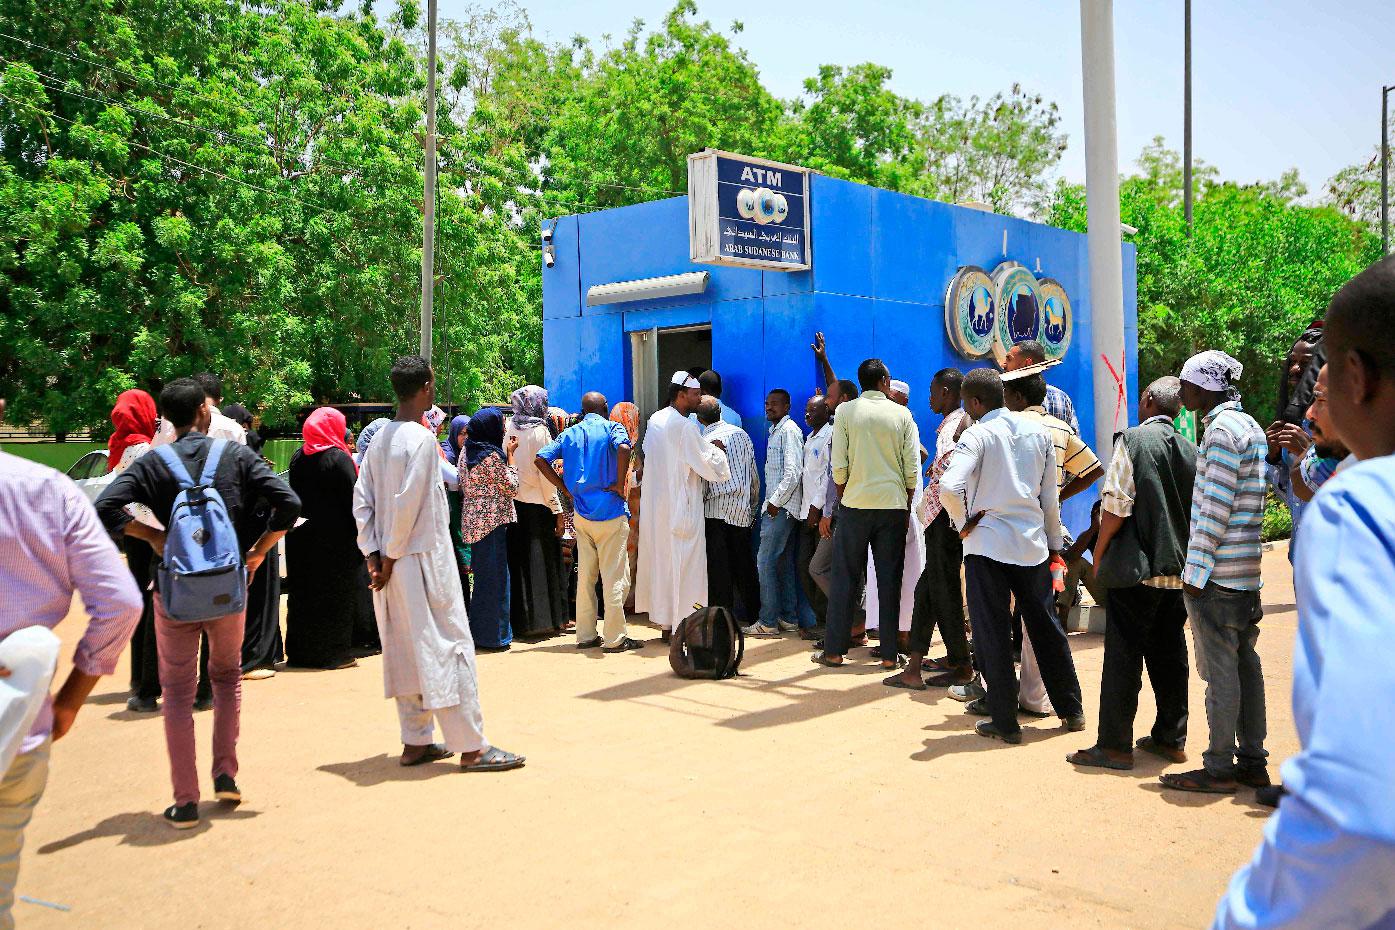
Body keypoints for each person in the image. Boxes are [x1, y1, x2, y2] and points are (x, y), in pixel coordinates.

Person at [1210, 256, 1395, 930]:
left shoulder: (1365, 503)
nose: (1308, 394)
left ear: (1355, 376)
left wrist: (1248, 917)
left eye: (1316, 377)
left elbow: (1365, 809)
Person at [96, 378, 300, 828]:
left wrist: (153, 536)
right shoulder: (236, 455)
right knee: (227, 678)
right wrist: (259, 551)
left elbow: (105, 506)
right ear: (204, 413)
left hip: (175, 590)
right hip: (228, 587)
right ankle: (225, 773)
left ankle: (185, 800)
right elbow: (288, 502)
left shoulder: (153, 464)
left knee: (177, 692)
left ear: (166, 418)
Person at [0, 396, 142, 922]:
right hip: (18, 721)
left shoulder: (124, 455)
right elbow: (121, 603)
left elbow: (114, 509)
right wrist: (68, 702)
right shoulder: (43, 489)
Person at [353, 356, 523, 773]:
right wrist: (389, 555)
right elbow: (410, 501)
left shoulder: (378, 441)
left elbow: (363, 502)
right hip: (422, 558)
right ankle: (473, 746)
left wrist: (374, 555)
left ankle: (416, 740)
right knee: (451, 647)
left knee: (406, 650)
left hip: (389, 567)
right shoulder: (423, 440)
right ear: (427, 386)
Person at [938, 368, 1085, 744]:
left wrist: (963, 523)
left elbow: (950, 487)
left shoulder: (976, 434)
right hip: (1032, 545)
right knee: (1046, 629)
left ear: (973, 402)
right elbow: (1049, 499)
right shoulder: (1037, 433)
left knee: (992, 633)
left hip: (987, 546)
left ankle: (1005, 721)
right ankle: (1071, 710)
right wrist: (1054, 546)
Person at [1067, 377, 1195, 771]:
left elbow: (1116, 504)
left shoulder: (1134, 440)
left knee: (1123, 657)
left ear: (1149, 401)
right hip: (1177, 571)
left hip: (1137, 571)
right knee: (1170, 654)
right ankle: (1170, 739)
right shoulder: (1192, 450)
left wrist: (1100, 554)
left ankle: (1115, 745)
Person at [1160, 350, 1270, 795]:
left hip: (1219, 576)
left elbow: (1214, 510)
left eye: (1186, 385)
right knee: (1246, 666)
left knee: (1221, 674)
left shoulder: (1221, 432)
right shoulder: (1251, 427)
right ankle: (1252, 761)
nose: (1182, 393)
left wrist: (1196, 569)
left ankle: (1219, 766)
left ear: (1203, 389)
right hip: (1247, 574)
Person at [1003, 365, 1104, 717]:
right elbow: (1094, 470)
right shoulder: (1061, 429)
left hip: (1005, 534)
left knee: (998, 614)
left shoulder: (1004, 428)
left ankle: (995, 693)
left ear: (1014, 396)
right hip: (1047, 533)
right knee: (1040, 619)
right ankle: (1037, 696)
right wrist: (1059, 495)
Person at [813, 359, 918, 668]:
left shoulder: (846, 411)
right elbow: (911, 467)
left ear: (861, 382)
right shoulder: (902, 414)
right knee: (889, 580)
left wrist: (846, 498)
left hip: (855, 505)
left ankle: (834, 650)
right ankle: (888, 655)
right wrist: (906, 500)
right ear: (885, 381)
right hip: (892, 506)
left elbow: (839, 465)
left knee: (845, 578)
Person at [887, 368, 973, 690]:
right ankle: (917, 664)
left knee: (942, 590)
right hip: (944, 519)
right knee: (928, 588)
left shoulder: (954, 425)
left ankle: (961, 664)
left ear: (948, 392)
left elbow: (951, 474)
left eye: (934, 391)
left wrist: (945, 513)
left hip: (945, 520)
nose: (930, 398)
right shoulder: (956, 422)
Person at [534, 392, 639, 653]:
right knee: (614, 576)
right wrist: (618, 482)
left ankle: (586, 635)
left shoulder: (569, 433)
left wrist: (564, 489)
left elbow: (540, 458)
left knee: (586, 578)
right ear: (604, 408)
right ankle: (615, 639)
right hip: (610, 512)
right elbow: (624, 448)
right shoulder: (613, 427)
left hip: (582, 513)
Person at [635, 371, 731, 641]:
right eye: (695, 394)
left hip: (659, 510)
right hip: (683, 508)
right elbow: (704, 463)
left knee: (664, 565)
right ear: (681, 395)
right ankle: (685, 626)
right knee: (687, 569)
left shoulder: (656, 419)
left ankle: (667, 624)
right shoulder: (685, 426)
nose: (699, 398)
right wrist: (718, 450)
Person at [285, 407, 374, 670]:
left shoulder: (298, 457)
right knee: (335, 593)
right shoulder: (339, 459)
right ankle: (335, 653)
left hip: (302, 537)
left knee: (304, 593)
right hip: (336, 539)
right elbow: (353, 500)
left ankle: (300, 652)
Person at [104, 390, 165, 713]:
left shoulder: (120, 444)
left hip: (131, 531)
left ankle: (138, 678)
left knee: (141, 605)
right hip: (150, 531)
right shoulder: (143, 449)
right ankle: (148, 681)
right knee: (153, 606)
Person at [861, 379, 926, 655]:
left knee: (907, 575)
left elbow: (918, 456)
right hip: (890, 511)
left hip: (904, 512)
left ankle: (903, 637)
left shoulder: (904, 422)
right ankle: (893, 635)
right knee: (884, 576)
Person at [504, 386, 568, 637]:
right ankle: (544, 621)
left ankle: (523, 622)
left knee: (521, 563)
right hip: (539, 506)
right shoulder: (540, 431)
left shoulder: (510, 426)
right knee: (543, 564)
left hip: (517, 504)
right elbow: (546, 477)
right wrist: (558, 511)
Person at [458, 407, 519, 651]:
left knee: (483, 581)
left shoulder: (467, 451)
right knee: (496, 581)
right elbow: (511, 486)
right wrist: (511, 456)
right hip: (492, 523)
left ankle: (481, 632)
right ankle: (496, 636)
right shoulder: (490, 456)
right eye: (501, 425)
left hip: (474, 522)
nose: (503, 430)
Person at [696, 396, 761, 622]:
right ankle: (755, 616)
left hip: (714, 512)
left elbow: (703, 482)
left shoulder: (704, 441)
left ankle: (723, 622)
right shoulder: (741, 435)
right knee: (745, 568)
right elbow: (753, 475)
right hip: (741, 510)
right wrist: (752, 507)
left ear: (699, 418)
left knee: (719, 571)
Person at [748, 389, 806, 636]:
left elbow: (793, 473)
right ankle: (789, 618)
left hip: (781, 509)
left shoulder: (788, 431)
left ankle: (768, 621)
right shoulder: (777, 431)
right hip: (782, 508)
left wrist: (774, 502)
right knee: (781, 563)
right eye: (767, 403)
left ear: (787, 406)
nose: (769, 407)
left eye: (775, 404)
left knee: (765, 561)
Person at [1264, 323, 1324, 534]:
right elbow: (1293, 497)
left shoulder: (1343, 425)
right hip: (1301, 553)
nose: (1294, 369)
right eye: (1292, 361)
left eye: (1305, 363)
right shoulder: (1294, 422)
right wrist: (1273, 458)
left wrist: (1307, 454)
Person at [796, 394, 831, 631]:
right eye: (807, 410)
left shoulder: (830, 436)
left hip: (818, 514)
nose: (808, 414)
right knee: (803, 567)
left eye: (813, 410)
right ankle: (821, 617)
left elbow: (829, 477)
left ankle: (826, 621)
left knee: (819, 569)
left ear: (826, 412)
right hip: (804, 514)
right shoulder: (809, 439)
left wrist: (817, 508)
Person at [609, 402, 643, 611]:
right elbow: (629, 480)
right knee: (625, 558)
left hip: (617, 512)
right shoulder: (625, 449)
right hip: (627, 512)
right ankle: (622, 604)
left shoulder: (609, 444)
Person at [1004, 340, 1079, 434]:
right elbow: (1074, 440)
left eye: (1009, 359)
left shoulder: (1008, 398)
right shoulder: (1062, 397)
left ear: (1028, 363)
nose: (1004, 365)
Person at [442, 415, 473, 613]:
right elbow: (454, 478)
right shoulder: (448, 453)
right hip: (451, 516)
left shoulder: (469, 452)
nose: (465, 438)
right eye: (461, 434)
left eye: (468, 433)